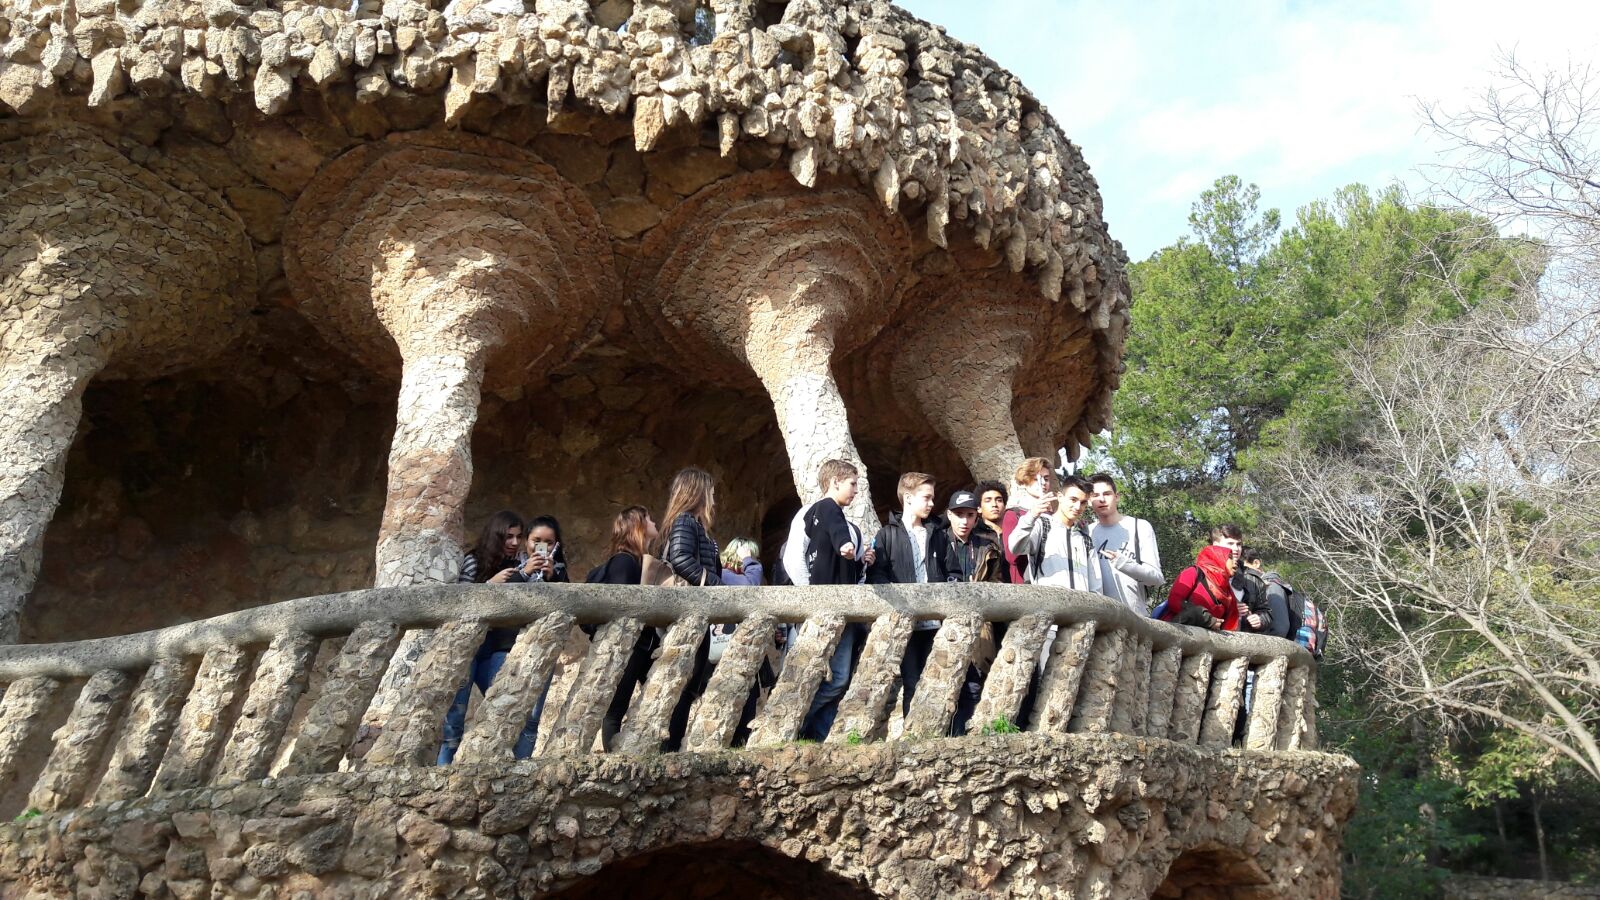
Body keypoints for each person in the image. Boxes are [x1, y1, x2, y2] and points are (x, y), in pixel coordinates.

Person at [438, 510, 545, 765]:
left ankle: (497, 768)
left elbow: (534, 599)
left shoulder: (521, 563)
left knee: (506, 706)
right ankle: (443, 775)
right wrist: (490, 586)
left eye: (518, 536)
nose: (514, 542)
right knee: (453, 722)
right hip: (468, 649)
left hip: (498, 649)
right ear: (495, 536)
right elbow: (459, 603)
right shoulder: (473, 561)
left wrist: (534, 573)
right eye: (508, 536)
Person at [798, 459, 875, 741]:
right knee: (839, 677)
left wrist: (860, 561)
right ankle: (800, 721)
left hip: (833, 601)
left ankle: (817, 735)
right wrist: (845, 543)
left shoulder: (816, 514)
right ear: (835, 482)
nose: (856, 491)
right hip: (835, 606)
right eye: (853, 484)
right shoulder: (829, 508)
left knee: (828, 676)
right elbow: (836, 530)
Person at [868, 472, 953, 712]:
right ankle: (912, 739)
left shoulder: (938, 534)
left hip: (938, 623)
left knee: (939, 684)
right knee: (912, 681)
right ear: (908, 497)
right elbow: (878, 577)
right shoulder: (886, 535)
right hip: (907, 624)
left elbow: (952, 572)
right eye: (926, 497)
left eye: (932, 498)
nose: (932, 504)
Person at [585, 506, 659, 750]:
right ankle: (613, 760)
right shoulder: (624, 562)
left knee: (655, 697)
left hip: (643, 644)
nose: (654, 521)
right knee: (616, 708)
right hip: (631, 646)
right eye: (648, 518)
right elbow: (622, 609)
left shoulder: (638, 561)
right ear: (638, 526)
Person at [660, 467, 720, 750]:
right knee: (683, 684)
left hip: (699, 612)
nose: (713, 499)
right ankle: (668, 747)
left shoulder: (694, 525)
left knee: (690, 684)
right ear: (697, 493)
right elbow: (681, 559)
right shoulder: (685, 521)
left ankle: (672, 746)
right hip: (691, 611)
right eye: (710, 492)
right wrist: (715, 585)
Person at [938, 489, 1007, 734]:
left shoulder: (988, 546)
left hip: (980, 625)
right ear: (949, 515)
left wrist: (979, 591)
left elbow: (999, 581)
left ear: (976, 517)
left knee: (974, 682)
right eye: (958, 515)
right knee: (943, 682)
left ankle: (963, 738)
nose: (964, 521)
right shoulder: (938, 541)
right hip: (944, 623)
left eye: (969, 515)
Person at [1086, 474, 1164, 614]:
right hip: (1099, 622)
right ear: (1089, 499)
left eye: (1107, 494)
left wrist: (1123, 563)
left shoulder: (1139, 527)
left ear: (1117, 497)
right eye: (1095, 495)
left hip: (1135, 621)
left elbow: (1157, 579)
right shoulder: (1086, 533)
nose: (1102, 499)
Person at [1001, 458, 1058, 584]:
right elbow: (1012, 557)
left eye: (1046, 479)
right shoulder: (1013, 514)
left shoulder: (1053, 515)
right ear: (1024, 482)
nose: (1043, 483)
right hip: (1025, 586)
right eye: (1037, 479)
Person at [1159, 545, 1240, 630]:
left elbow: (1229, 625)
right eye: (1230, 557)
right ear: (1217, 558)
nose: (1235, 561)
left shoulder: (1228, 593)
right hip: (1177, 632)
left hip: (1206, 640)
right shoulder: (1193, 572)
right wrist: (1205, 618)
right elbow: (1174, 601)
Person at [1237, 548, 1284, 637]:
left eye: (1246, 568)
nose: (1242, 573)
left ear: (1256, 563)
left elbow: (1280, 628)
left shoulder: (1271, 586)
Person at [524, 515, 570, 583]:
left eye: (548, 543)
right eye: (536, 541)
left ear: (555, 546)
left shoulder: (560, 570)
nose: (541, 547)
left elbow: (566, 592)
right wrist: (524, 573)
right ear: (526, 542)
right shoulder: (514, 565)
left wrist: (552, 577)